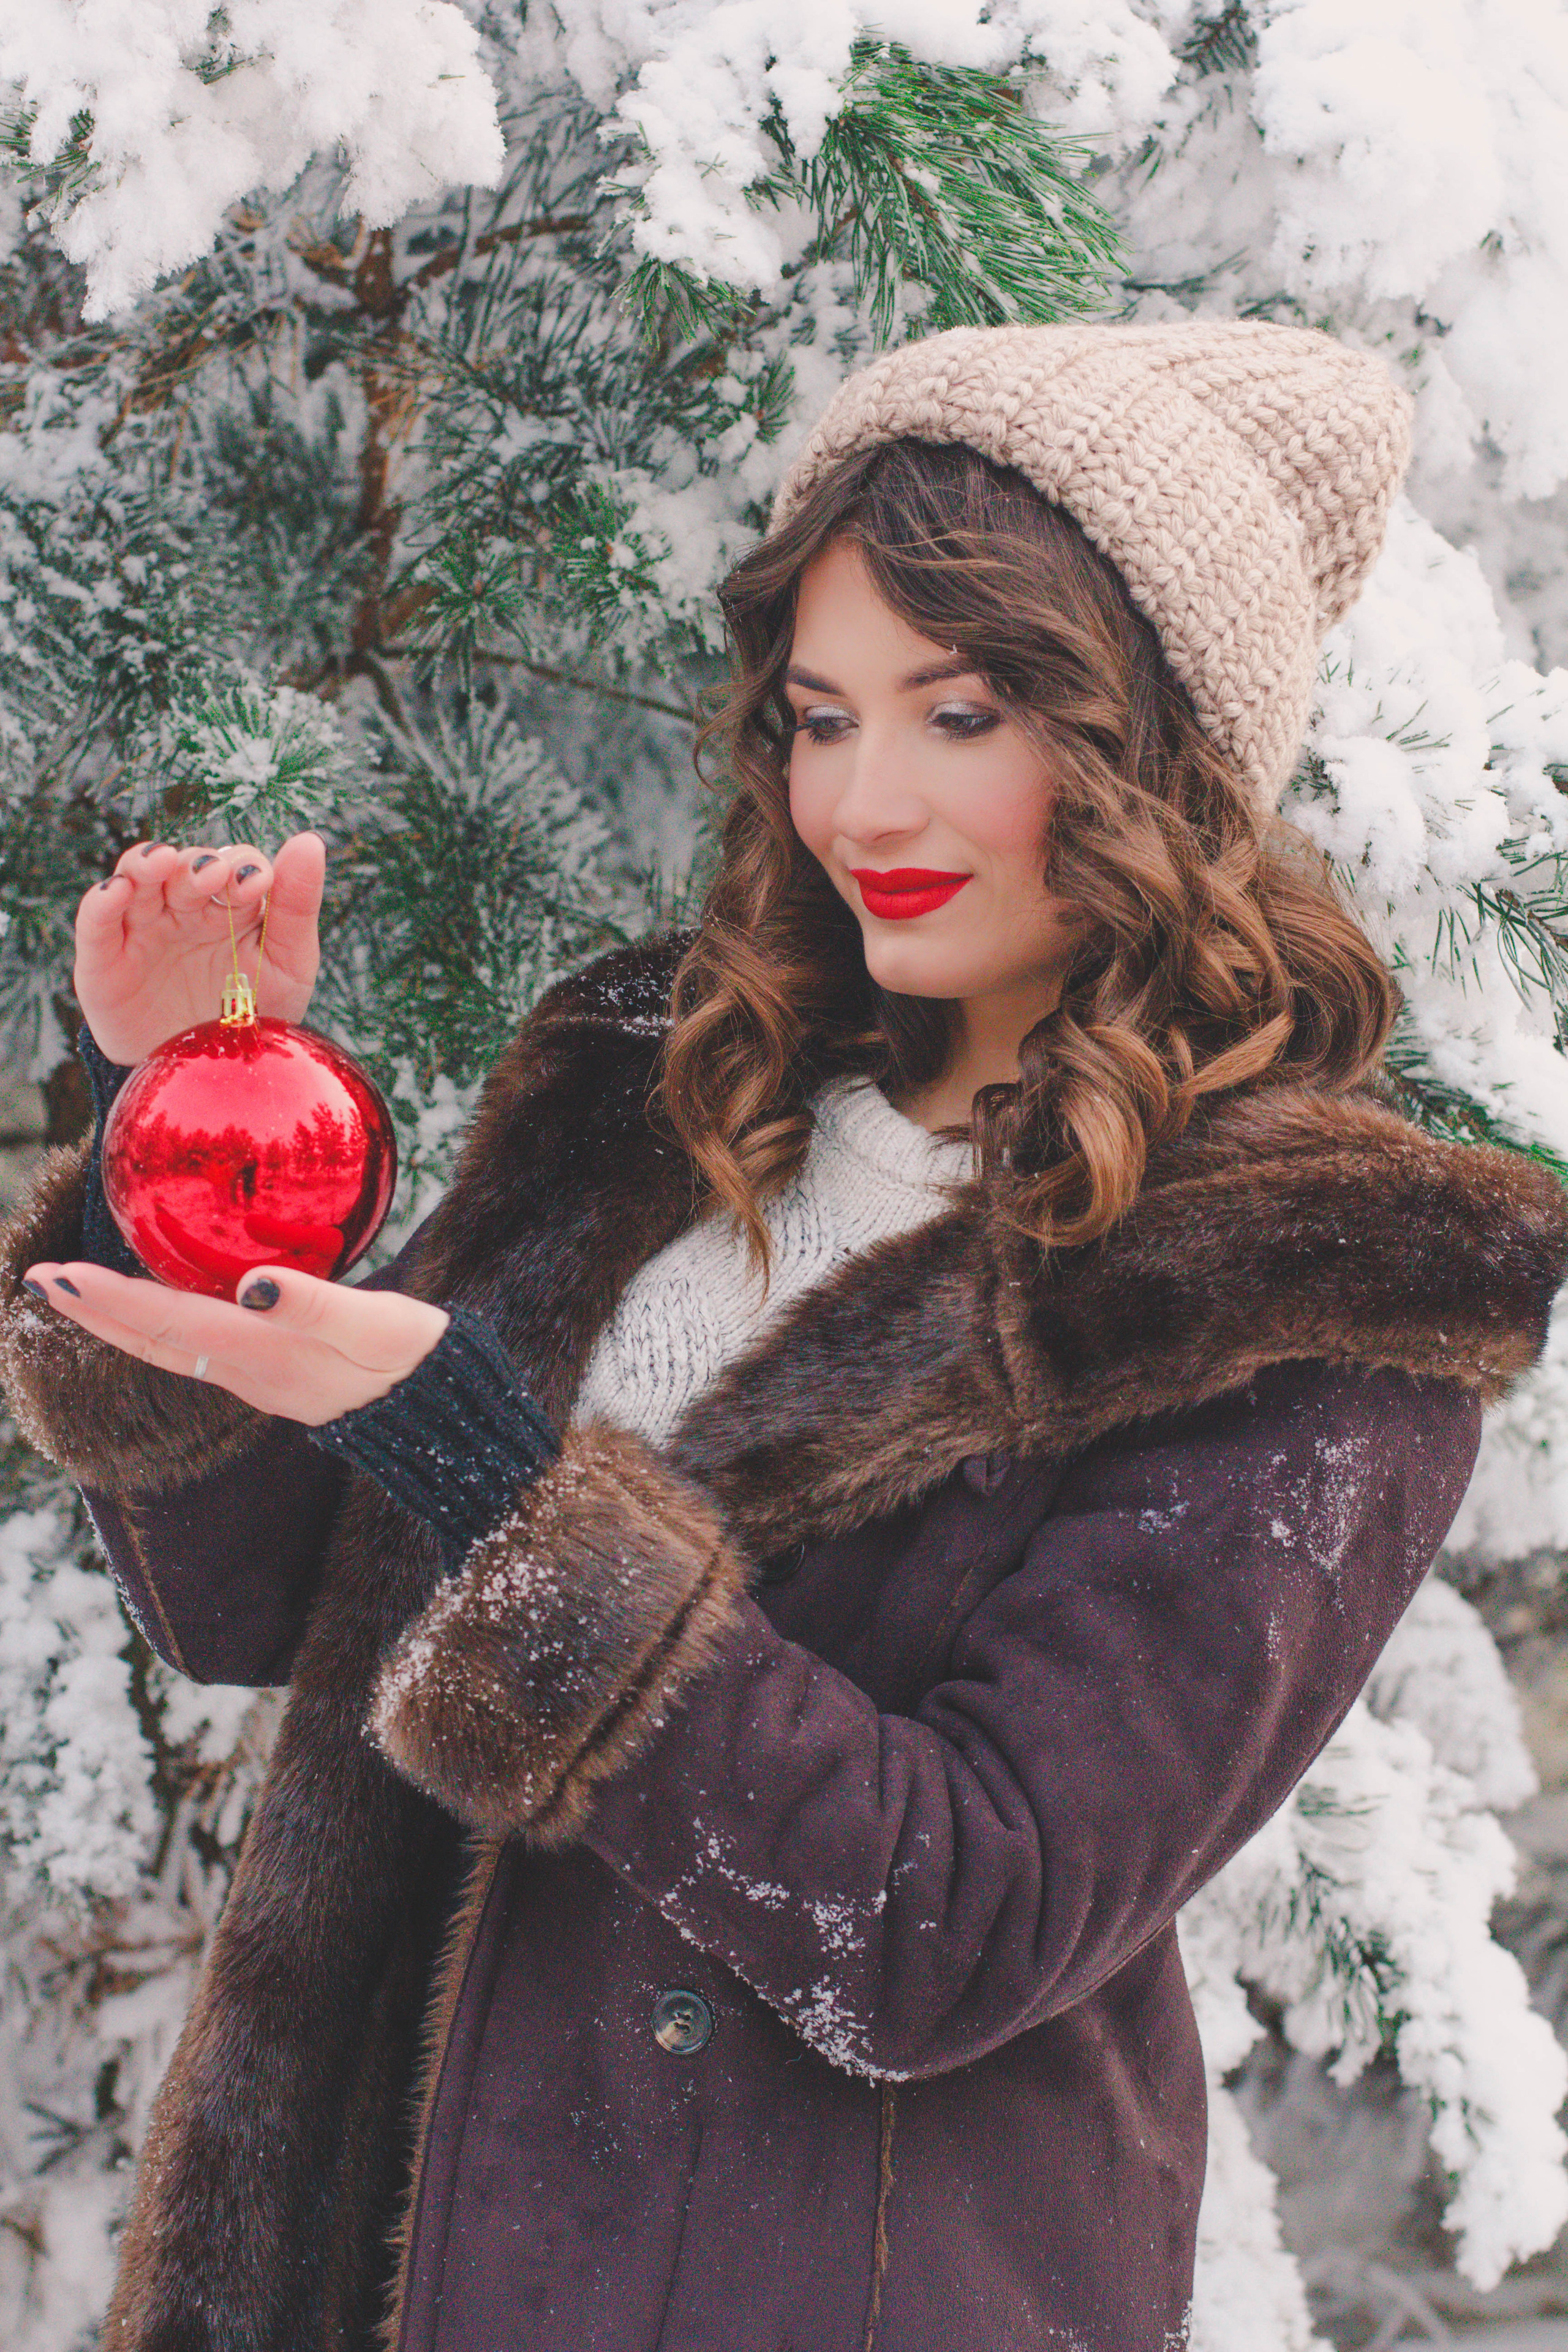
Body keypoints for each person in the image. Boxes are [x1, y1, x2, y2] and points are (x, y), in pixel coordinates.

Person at [2, 319, 1566, 2352]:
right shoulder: (654, 1081)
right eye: (823, 717)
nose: (864, 799)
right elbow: (269, 1602)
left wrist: (497, 1480)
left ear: (1155, 753)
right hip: (353, 2263)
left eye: (963, 711)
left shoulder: (1308, 1288)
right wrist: (197, 1124)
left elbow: (949, 1922)